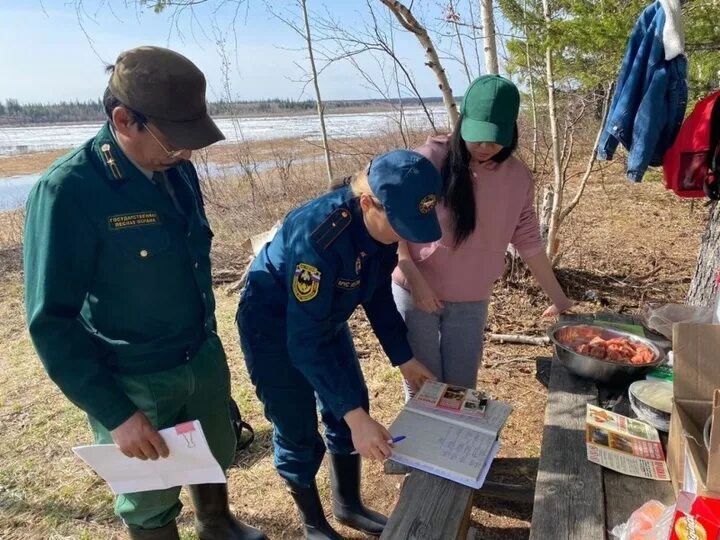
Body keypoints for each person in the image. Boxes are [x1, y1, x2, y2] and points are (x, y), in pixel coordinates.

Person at [23, 46, 266, 540]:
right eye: (175, 139)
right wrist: (116, 412)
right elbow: (51, 321)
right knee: (149, 493)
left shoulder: (176, 170)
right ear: (123, 120)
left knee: (212, 452)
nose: (187, 152)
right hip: (133, 374)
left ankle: (216, 523)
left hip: (197, 354)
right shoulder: (69, 190)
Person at [237, 150, 441, 539]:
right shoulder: (319, 236)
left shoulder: (382, 228)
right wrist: (356, 420)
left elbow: (378, 294)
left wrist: (404, 358)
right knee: (296, 425)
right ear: (368, 203)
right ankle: (314, 524)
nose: (404, 235)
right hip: (273, 328)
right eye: (400, 224)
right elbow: (302, 342)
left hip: (324, 321)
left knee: (350, 402)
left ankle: (348, 505)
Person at [392, 75, 574, 393]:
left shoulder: (517, 177)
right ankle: (421, 445)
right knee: (424, 390)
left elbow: (529, 241)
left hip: (471, 298)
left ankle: (456, 444)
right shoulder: (428, 160)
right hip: (416, 292)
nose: (485, 147)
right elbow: (393, 223)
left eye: (495, 138)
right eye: (477, 137)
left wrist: (559, 299)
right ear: (463, 122)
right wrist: (414, 278)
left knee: (461, 390)